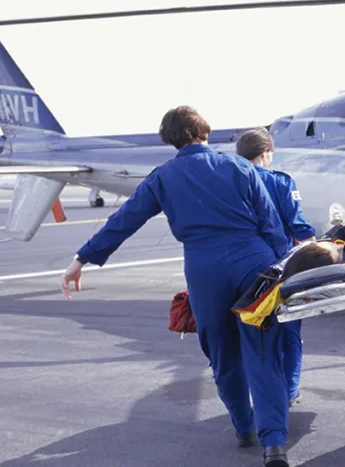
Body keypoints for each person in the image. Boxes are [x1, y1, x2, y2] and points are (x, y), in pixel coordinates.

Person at [59, 106, 294, 467]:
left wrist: (83, 258)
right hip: (254, 262)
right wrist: (281, 272)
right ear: (203, 131)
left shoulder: (163, 176)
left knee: (222, 353)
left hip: (205, 268)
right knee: (263, 350)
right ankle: (274, 443)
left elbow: (124, 220)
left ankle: (244, 427)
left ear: (170, 138)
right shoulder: (241, 166)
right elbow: (272, 225)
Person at [236, 128, 316, 407]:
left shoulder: (230, 182)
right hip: (279, 267)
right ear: (265, 153)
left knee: (253, 335)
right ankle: (289, 391)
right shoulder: (280, 182)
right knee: (290, 331)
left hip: (240, 267)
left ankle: (259, 392)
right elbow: (299, 227)